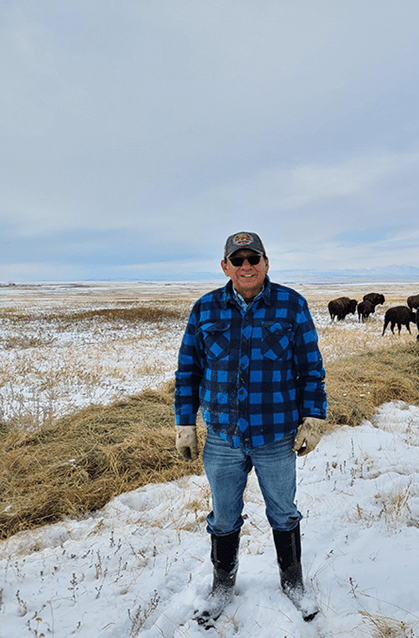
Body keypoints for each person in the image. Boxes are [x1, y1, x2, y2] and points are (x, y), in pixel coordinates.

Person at [174, 231, 327, 626]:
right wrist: (185, 424)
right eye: (237, 260)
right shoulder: (205, 309)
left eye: (253, 258)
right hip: (223, 438)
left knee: (284, 512)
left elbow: (311, 368)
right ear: (225, 266)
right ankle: (222, 586)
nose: (246, 266)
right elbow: (188, 371)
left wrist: (312, 417)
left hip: (276, 435)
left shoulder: (292, 305)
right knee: (223, 517)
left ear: (266, 263)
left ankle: (293, 582)